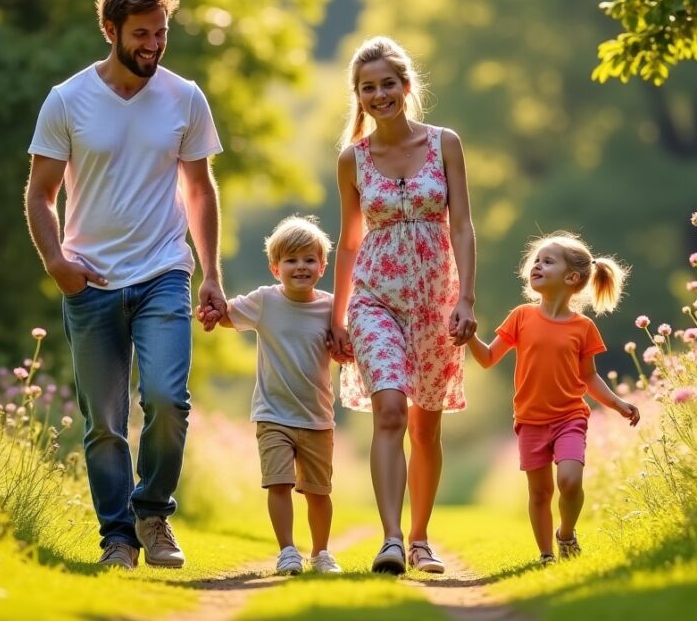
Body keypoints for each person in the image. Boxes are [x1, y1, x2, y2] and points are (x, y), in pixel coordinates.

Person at [24, 0, 227, 570]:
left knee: (167, 400)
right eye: (141, 33)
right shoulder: (67, 100)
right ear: (109, 30)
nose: (154, 46)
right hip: (90, 282)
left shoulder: (185, 96)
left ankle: (153, 511)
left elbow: (200, 189)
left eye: (161, 34)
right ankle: (117, 537)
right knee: (105, 422)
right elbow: (40, 194)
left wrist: (211, 272)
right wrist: (57, 263)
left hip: (164, 269)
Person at [328, 36, 477, 575]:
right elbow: (348, 242)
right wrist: (337, 315)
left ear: (407, 86)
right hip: (375, 299)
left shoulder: (445, 144)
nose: (380, 94)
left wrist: (466, 298)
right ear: (359, 97)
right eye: (368, 88)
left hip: (436, 300)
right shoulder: (353, 160)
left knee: (425, 428)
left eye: (388, 83)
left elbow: (461, 224)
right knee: (390, 409)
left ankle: (419, 538)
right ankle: (390, 539)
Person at [467, 232, 640, 563]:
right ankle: (547, 555)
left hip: (569, 417)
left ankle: (566, 533)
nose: (537, 265)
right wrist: (470, 336)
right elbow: (488, 358)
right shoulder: (521, 316)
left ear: (572, 277)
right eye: (536, 260)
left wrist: (617, 404)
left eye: (548, 261)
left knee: (570, 480)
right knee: (540, 493)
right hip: (530, 420)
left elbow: (588, 376)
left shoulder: (583, 327)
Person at [203, 215, 343, 575]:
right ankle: (287, 551)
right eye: (291, 260)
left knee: (318, 491)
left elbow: (350, 346)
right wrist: (210, 310)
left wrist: (347, 347)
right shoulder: (264, 301)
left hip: (317, 417)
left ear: (322, 266)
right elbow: (226, 315)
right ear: (275, 266)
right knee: (278, 483)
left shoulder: (331, 308)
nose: (300, 267)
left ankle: (322, 553)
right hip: (272, 415)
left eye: (309, 260)